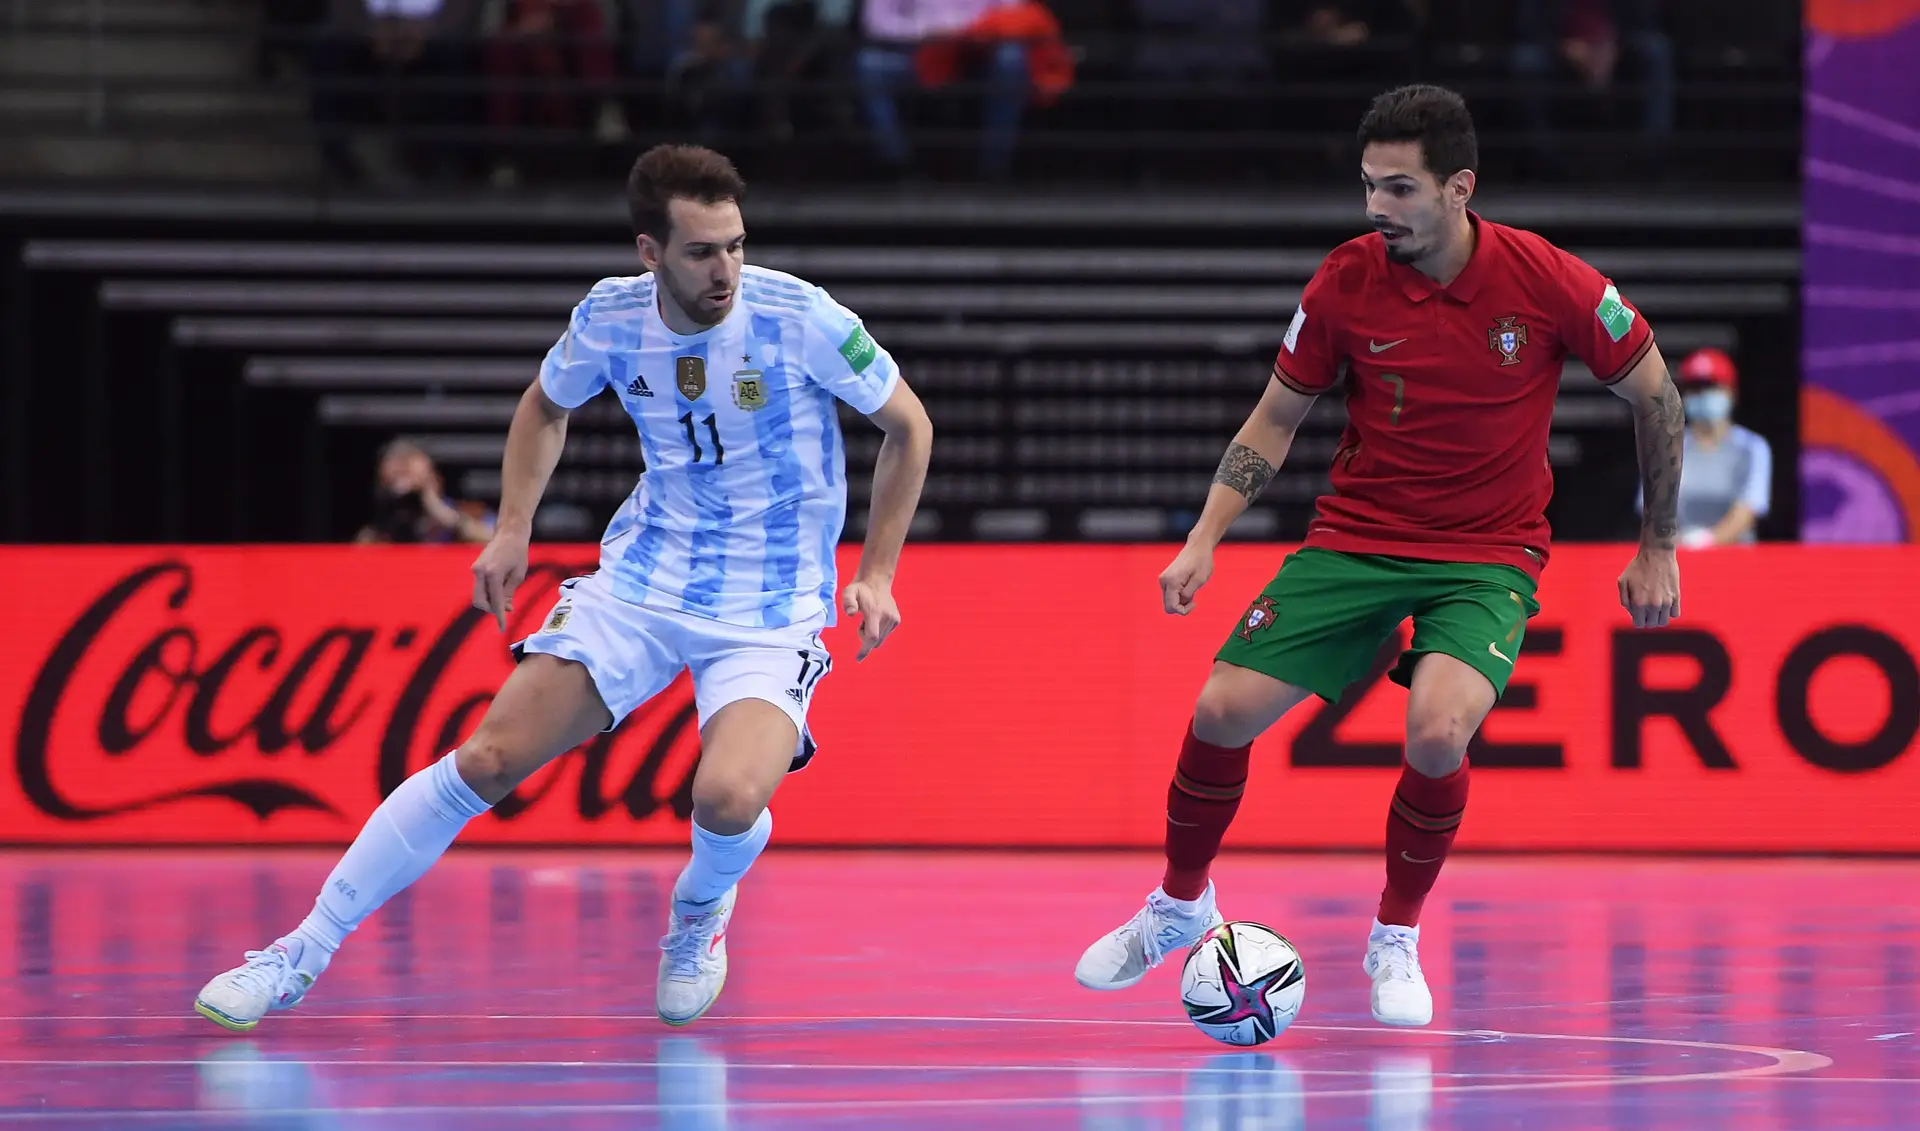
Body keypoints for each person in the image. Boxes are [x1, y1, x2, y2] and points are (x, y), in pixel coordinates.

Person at [193, 143, 935, 1032]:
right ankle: (297, 952)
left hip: (768, 607)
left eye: (736, 244)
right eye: (702, 251)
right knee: (487, 760)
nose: (726, 269)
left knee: (730, 798)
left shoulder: (801, 316)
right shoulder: (612, 318)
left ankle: (698, 913)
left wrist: (879, 569)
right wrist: (512, 525)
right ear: (650, 252)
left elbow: (908, 426)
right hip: (643, 580)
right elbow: (546, 405)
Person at [1072, 85, 1685, 1027]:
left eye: (1398, 189)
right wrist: (1205, 536)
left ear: (1458, 188)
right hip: (1356, 538)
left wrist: (1657, 544)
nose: (1376, 208)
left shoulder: (1550, 279)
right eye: (1368, 186)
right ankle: (1177, 906)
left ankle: (1394, 934)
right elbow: (1276, 418)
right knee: (1221, 710)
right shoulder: (1345, 279)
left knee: (1438, 729)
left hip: (1489, 553)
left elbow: (1656, 395)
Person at [1652, 347, 1772, 547]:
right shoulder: (1665, 448)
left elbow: (1748, 509)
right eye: (1695, 388)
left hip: (1737, 561)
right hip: (1679, 558)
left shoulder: (1752, 448)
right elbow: (1655, 512)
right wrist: (1679, 546)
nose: (1703, 394)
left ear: (1731, 392)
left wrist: (1707, 542)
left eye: (1711, 387)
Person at [355, 437, 495, 543]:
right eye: (393, 480)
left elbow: (496, 544)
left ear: (436, 480)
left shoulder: (474, 513)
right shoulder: (376, 536)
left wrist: (445, 515)